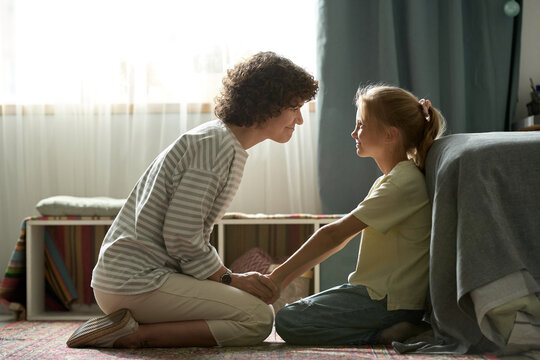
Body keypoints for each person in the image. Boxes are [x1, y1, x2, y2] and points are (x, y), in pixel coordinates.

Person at [66, 51, 319, 348]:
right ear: (268, 103)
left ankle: (134, 323)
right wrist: (229, 279)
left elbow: (187, 236)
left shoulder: (220, 142)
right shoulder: (215, 147)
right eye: (295, 107)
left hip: (135, 280)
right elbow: (181, 235)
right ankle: (132, 335)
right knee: (259, 318)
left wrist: (229, 280)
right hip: (136, 282)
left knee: (252, 308)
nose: (300, 120)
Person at [265, 84, 446, 345]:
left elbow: (335, 234)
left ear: (390, 134)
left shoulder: (402, 183)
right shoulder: (393, 179)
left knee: (288, 320)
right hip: (376, 295)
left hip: (387, 301)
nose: (353, 133)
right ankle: (392, 328)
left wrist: (278, 277)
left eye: (361, 125)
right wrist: (281, 278)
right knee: (296, 312)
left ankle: (388, 333)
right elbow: (337, 238)